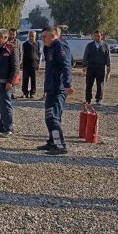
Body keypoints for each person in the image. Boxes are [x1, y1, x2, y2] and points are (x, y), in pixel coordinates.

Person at [38, 26, 74, 155]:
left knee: (53, 117)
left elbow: (66, 66)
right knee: (49, 117)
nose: (42, 40)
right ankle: (52, 141)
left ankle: (60, 145)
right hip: (51, 88)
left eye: (44, 37)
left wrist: (67, 84)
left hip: (58, 89)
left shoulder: (60, 47)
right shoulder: (50, 48)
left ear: (53, 36)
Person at [82, 30, 111, 105]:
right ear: (93, 36)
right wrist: (84, 65)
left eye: (98, 36)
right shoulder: (89, 45)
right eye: (95, 36)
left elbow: (108, 56)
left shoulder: (105, 45)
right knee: (89, 84)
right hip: (91, 67)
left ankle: (99, 99)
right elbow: (86, 55)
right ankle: (88, 99)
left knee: (100, 84)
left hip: (101, 67)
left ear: (101, 36)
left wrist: (108, 66)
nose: (97, 37)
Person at [21, 31, 42, 98]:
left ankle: (32, 93)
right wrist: (21, 63)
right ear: (28, 36)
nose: (31, 37)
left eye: (33, 36)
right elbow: (22, 54)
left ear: (35, 37)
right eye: (30, 36)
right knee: (25, 79)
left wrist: (39, 63)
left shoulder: (38, 44)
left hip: (34, 65)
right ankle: (25, 92)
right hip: (26, 65)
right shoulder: (24, 44)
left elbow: (40, 54)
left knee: (34, 80)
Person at [7, 28, 22, 100]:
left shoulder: (18, 42)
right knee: (8, 78)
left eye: (14, 34)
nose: (12, 36)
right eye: (11, 34)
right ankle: (8, 92)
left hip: (15, 64)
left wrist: (19, 63)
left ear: (16, 34)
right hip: (7, 64)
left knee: (14, 79)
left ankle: (12, 93)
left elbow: (21, 53)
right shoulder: (6, 41)